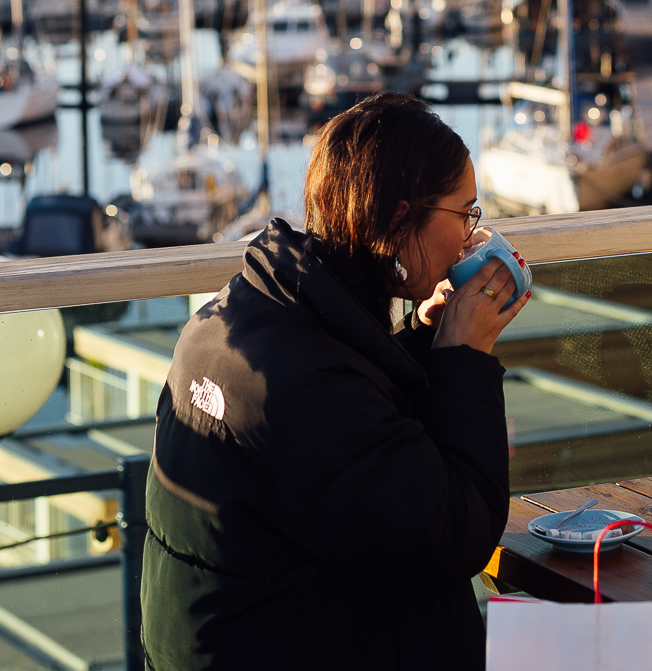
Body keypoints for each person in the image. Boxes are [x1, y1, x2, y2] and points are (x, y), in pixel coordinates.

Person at [141, 93, 527, 670]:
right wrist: (465, 357)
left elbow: (349, 438)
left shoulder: (243, 314)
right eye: (465, 213)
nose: (473, 235)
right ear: (402, 217)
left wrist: (426, 337)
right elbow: (451, 537)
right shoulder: (309, 390)